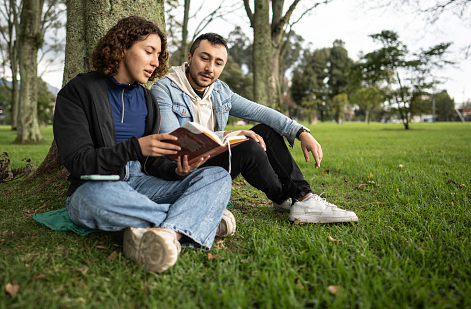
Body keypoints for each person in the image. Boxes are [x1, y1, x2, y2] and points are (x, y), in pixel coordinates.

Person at [53, 17, 235, 273]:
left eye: (158, 55)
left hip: (141, 183)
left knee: (216, 176)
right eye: (148, 51)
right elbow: (77, 162)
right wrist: (135, 149)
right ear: (121, 47)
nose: (155, 62)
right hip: (96, 185)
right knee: (93, 198)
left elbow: (153, 163)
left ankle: (166, 234)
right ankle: (198, 220)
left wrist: (177, 170)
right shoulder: (78, 92)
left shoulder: (147, 99)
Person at [151, 33, 358, 224]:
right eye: (204, 58)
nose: (210, 68)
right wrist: (229, 135)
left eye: (218, 62)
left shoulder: (220, 91)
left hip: (211, 161)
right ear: (189, 57)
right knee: (247, 147)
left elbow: (262, 113)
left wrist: (300, 132)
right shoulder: (165, 88)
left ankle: (303, 198)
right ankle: (289, 199)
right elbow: (173, 143)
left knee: (265, 131)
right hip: (181, 170)